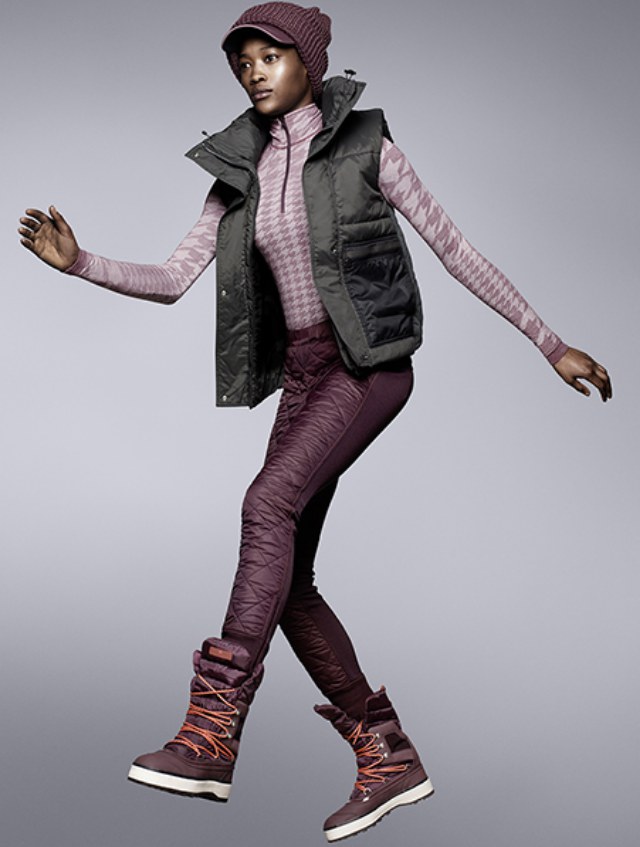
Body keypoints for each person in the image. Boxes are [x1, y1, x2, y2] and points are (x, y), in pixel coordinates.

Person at [18, 2, 612, 842]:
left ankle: (211, 730)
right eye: (243, 61)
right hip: (303, 377)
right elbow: (174, 278)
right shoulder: (239, 170)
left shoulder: (368, 145)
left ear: (308, 62)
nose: (254, 72)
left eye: (270, 56)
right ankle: (388, 756)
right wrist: (78, 261)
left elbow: (456, 249)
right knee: (288, 578)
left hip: (366, 365)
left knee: (265, 505)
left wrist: (551, 343)